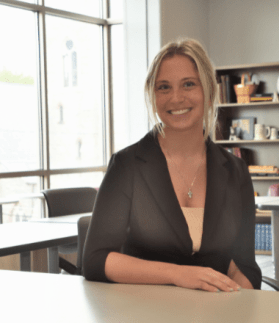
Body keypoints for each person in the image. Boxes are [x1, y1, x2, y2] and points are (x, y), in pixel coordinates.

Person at [83, 38, 261, 292]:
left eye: (188, 84)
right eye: (163, 87)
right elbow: (95, 259)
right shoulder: (127, 166)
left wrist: (234, 302)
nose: (176, 98)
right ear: (153, 97)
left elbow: (246, 265)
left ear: (209, 91)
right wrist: (178, 274)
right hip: (142, 311)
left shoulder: (235, 170)